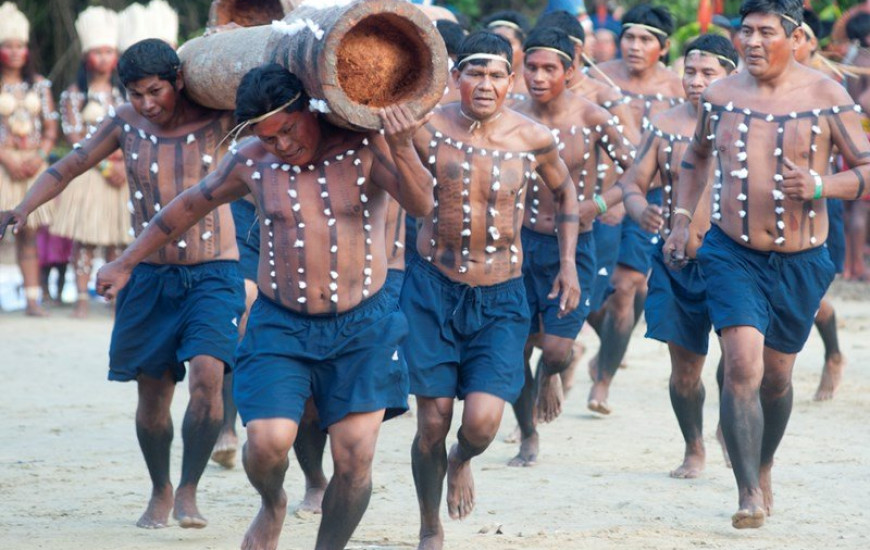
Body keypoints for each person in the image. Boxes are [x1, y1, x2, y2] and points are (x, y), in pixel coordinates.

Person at [93, 62, 434, 550]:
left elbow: (422, 206)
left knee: (355, 458)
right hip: (281, 326)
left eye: (288, 131)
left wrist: (401, 145)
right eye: (267, 137)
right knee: (266, 445)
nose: (282, 145)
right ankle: (272, 503)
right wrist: (126, 262)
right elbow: (188, 206)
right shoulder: (250, 160)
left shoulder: (364, 147)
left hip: (365, 325)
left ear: (309, 110)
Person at [0, 39, 244, 529]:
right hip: (148, 274)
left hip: (215, 270)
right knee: (152, 399)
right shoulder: (124, 122)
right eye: (136, 93)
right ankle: (161, 488)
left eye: (155, 91)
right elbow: (70, 164)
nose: (147, 103)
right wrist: (23, 207)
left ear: (177, 80)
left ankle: (189, 491)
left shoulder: (219, 116)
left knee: (207, 378)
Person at [665, 0, 870, 528]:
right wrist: (683, 219)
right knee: (741, 366)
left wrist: (824, 185)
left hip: (802, 260)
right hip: (732, 253)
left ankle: (765, 462)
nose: (751, 42)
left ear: (793, 34)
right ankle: (747, 492)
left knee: (776, 379)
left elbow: (867, 168)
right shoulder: (720, 95)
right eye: (745, 32)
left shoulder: (827, 95)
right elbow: (696, 160)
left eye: (764, 32)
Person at [400, 31, 580, 549]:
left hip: (502, 294)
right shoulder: (425, 127)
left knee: (479, 423)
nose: (485, 84)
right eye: (474, 74)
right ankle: (429, 524)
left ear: (511, 81)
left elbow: (565, 190)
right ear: (455, 78)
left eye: (497, 75)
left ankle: (463, 460)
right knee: (432, 419)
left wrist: (567, 263)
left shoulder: (533, 137)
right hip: (432, 287)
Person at [598, 34, 739, 478]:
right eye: (690, 72)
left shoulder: (750, 125)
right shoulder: (664, 125)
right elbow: (632, 184)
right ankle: (693, 447)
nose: (696, 82)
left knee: (740, 362)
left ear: (731, 78)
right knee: (685, 371)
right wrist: (641, 213)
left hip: (738, 262)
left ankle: (732, 429)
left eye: (707, 73)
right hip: (678, 262)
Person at [508, 26, 633, 467]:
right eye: (531, 67)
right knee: (516, 346)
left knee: (557, 351)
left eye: (549, 68)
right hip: (516, 243)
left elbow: (639, 172)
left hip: (574, 242)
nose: (538, 77)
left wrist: (596, 204)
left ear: (571, 70)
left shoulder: (593, 116)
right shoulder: (509, 113)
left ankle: (552, 375)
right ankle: (527, 435)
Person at [586, 4, 685, 415]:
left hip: (652, 199)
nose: (635, 45)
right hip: (599, 197)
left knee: (627, 288)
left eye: (646, 39)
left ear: (662, 47)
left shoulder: (679, 88)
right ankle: (595, 347)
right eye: (629, 36)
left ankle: (603, 382)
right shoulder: (597, 78)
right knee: (592, 295)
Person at [50, 6, 132, 319]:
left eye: (109, 52)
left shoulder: (125, 93)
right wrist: (104, 165)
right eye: (97, 52)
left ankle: (114, 299)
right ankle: (82, 295)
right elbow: (73, 137)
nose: (103, 58)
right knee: (85, 240)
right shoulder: (73, 95)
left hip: (122, 172)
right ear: (86, 56)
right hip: (90, 172)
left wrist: (123, 163)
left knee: (117, 239)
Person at [794, 12, 848, 401]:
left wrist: (819, 183)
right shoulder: (751, 86)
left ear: (811, 43)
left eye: (800, 36)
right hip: (764, 208)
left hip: (821, 203)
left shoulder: (830, 90)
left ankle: (833, 354)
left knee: (808, 296)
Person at [0, 2, 58, 316]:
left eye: (19, 45)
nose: (14, 52)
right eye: (7, 46)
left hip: (32, 165)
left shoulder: (41, 85)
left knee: (29, 234)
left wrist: (39, 155)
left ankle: (33, 300)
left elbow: (51, 127)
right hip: (2, 166)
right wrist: (5, 157)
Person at [481, 11, 532, 102]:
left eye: (508, 42)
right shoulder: (479, 82)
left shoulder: (535, 83)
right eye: (494, 42)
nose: (500, 48)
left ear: (523, 47)